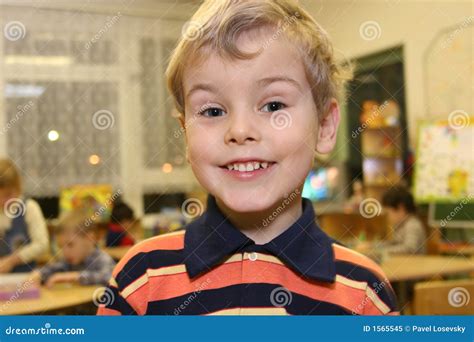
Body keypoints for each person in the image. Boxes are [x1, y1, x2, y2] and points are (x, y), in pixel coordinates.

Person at [98, 0, 398, 315]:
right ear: (185, 132)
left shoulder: (365, 291)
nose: (240, 131)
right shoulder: (139, 279)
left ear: (324, 126)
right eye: (212, 110)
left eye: (273, 106)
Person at [30, 210, 115, 287]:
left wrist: (74, 276)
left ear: (90, 238)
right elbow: (52, 268)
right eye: (61, 247)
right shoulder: (68, 261)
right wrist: (38, 274)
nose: (65, 252)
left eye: (70, 245)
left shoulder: (102, 258)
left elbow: (107, 276)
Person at [0, 159, 49, 273]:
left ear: (18, 187)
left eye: (8, 195)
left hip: (25, 278)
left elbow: (42, 245)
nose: (2, 201)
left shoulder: (30, 208)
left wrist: (11, 261)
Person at [381, 186, 426, 255]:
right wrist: (375, 246)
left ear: (400, 208)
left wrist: (382, 251)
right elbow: (395, 243)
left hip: (414, 264)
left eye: (388, 212)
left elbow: (409, 249)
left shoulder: (412, 224)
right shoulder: (402, 224)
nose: (388, 217)